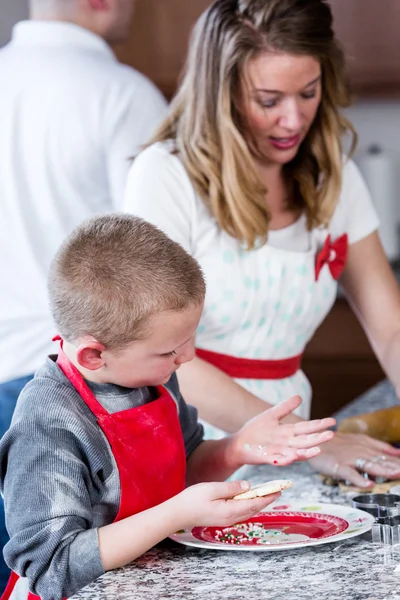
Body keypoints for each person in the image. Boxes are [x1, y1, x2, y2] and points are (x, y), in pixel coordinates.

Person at [123, 0, 400, 489]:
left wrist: (300, 442)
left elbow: (391, 329)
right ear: (221, 93)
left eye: (308, 93)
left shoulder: (333, 175)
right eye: (269, 100)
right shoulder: (166, 176)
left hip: (291, 446)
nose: (293, 120)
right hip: (188, 443)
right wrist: (311, 441)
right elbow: (157, 357)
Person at [0, 214, 334, 600]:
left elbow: (183, 469)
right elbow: (52, 567)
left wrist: (235, 448)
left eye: (190, 339)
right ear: (93, 355)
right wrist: (176, 515)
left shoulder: (149, 376)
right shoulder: (48, 425)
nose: (187, 357)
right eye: (171, 350)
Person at [0, 0, 166, 587]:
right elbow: (155, 260)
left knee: (18, 576)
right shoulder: (122, 94)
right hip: (74, 385)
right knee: (76, 571)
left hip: (23, 374)